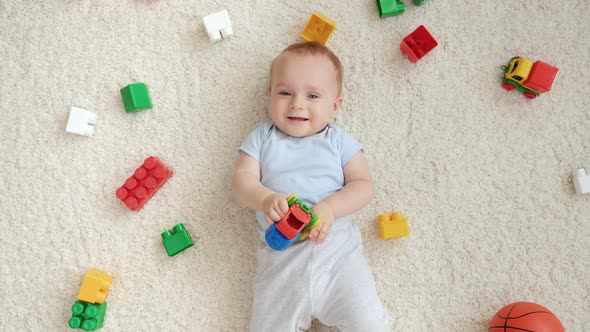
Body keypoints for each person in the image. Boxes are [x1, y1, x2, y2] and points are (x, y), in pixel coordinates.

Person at [231, 41, 391, 331]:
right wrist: (266, 199)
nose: (297, 103)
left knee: (369, 323)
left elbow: (363, 184)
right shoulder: (262, 138)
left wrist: (330, 208)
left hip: (338, 259)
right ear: (270, 94)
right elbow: (242, 181)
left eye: (313, 95)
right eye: (285, 93)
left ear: (335, 105)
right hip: (283, 264)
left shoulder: (340, 141)